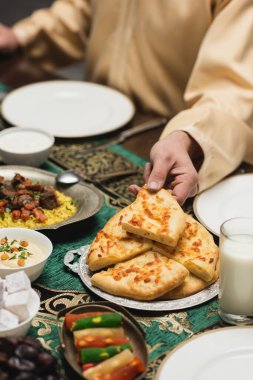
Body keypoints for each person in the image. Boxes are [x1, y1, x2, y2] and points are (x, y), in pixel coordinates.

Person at [0, 0, 253, 205]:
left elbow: (235, 88)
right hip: (90, 121)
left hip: (170, 148)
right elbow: (83, 9)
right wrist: (23, 35)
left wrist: (190, 135)